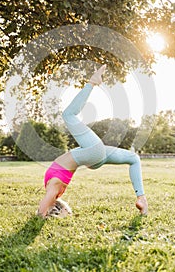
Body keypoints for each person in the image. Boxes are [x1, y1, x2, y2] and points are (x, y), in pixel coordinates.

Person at [37, 65, 148, 218]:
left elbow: (46, 203)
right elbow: (41, 211)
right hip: (92, 152)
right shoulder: (53, 189)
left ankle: (141, 198)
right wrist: (41, 214)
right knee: (68, 115)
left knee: (133, 158)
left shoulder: (53, 188)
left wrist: (47, 207)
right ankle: (92, 83)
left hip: (92, 158)